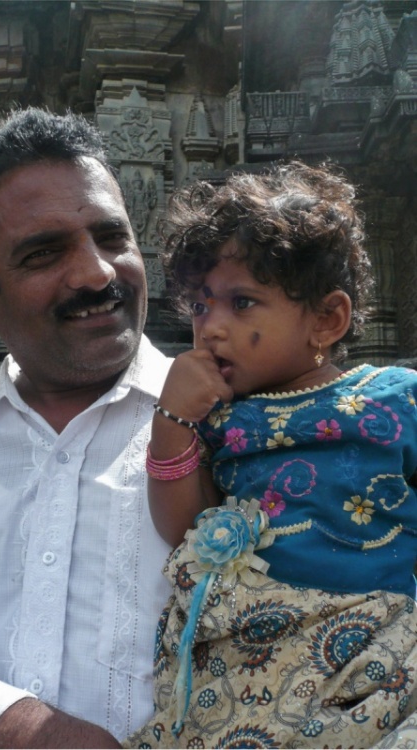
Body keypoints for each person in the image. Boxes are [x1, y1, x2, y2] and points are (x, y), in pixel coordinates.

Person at [125, 162, 417, 749]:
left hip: (379, 646)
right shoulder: (217, 417)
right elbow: (183, 527)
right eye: (201, 306)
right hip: (250, 655)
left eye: (242, 303)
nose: (211, 329)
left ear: (327, 320)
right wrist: (172, 420)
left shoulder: (394, 399)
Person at [0, 107, 173, 748]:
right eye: (44, 253)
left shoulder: (246, 432)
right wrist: (1, 725)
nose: (96, 273)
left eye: (111, 237)